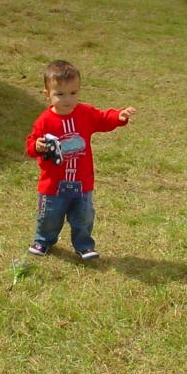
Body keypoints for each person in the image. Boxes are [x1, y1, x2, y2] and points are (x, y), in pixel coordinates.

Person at [25, 60, 137, 260]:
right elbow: (31, 144)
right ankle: (43, 241)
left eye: (73, 93)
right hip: (53, 184)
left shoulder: (85, 113)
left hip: (82, 181)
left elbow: (103, 118)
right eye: (60, 94)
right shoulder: (44, 121)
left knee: (83, 217)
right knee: (49, 215)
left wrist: (118, 116)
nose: (67, 99)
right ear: (47, 94)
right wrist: (37, 146)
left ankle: (84, 245)